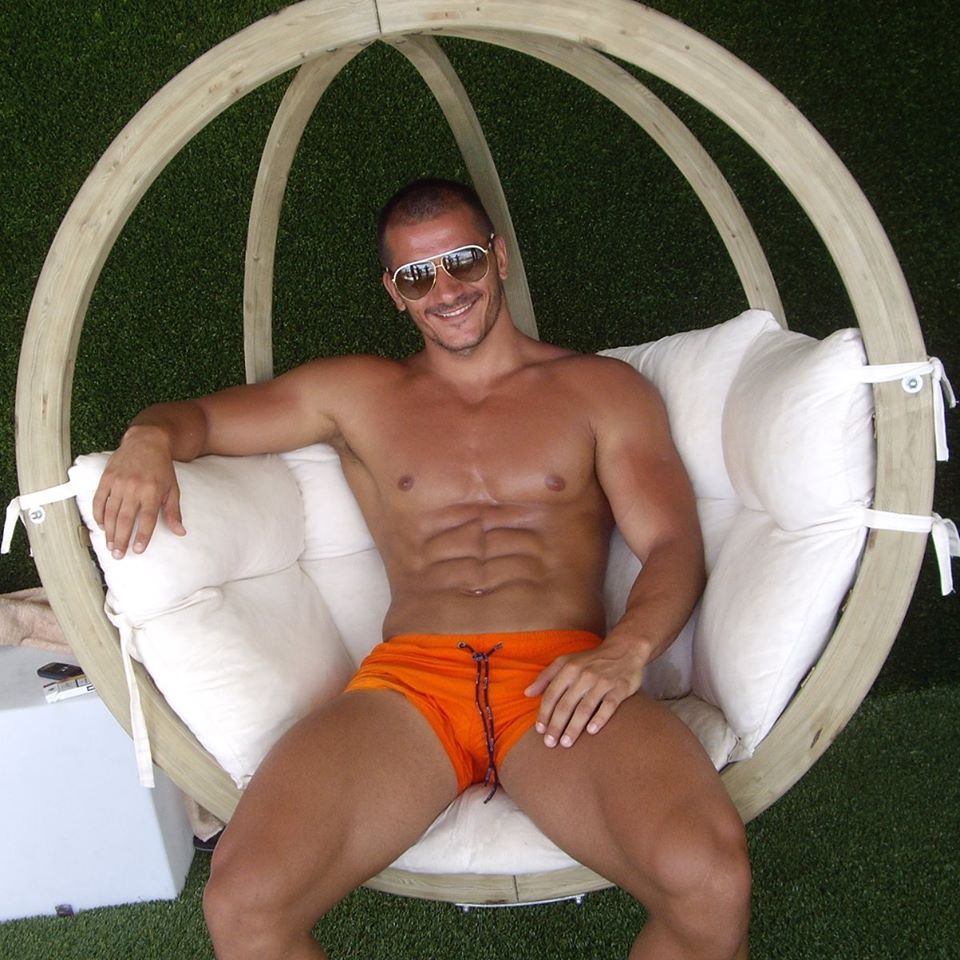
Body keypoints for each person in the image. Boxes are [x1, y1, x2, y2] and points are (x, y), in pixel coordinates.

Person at [93, 178, 751, 959]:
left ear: (498, 257)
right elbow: (199, 420)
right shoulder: (356, 393)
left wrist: (626, 651)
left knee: (710, 880)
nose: (445, 289)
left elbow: (673, 542)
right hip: (410, 686)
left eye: (462, 261)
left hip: (557, 677)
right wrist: (147, 438)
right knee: (243, 904)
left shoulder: (600, 390)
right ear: (394, 292)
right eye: (417, 276)